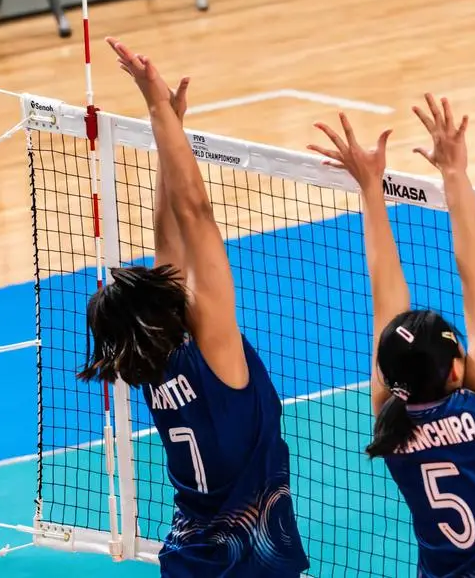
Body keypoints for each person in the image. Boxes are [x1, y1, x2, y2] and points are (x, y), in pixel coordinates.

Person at [78, 36, 310, 578]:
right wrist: (157, 105)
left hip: (191, 559)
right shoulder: (214, 351)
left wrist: (170, 128)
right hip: (251, 566)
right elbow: (196, 215)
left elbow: (169, 242)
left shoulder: (149, 365)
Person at [309, 95, 475, 578]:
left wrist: (370, 189)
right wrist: (453, 173)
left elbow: (389, 301)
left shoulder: (390, 421)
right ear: (456, 369)